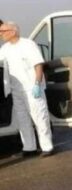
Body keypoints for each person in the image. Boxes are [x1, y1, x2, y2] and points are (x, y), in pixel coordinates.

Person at [0, 20, 54, 157]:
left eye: (3, 31)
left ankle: (47, 146)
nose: (1, 34)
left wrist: (37, 84)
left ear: (13, 31)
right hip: (16, 89)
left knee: (39, 117)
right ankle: (29, 148)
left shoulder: (28, 45)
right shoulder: (5, 49)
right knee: (22, 119)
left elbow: (38, 65)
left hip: (32, 88)